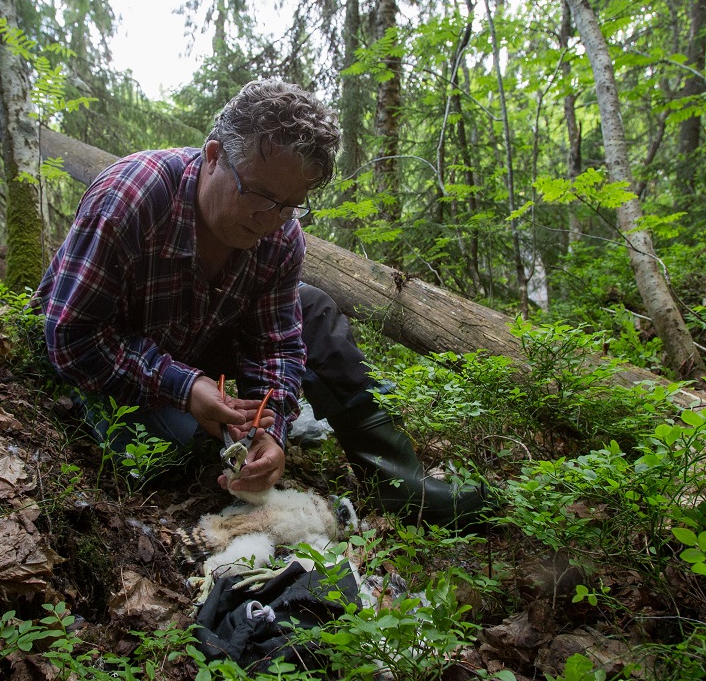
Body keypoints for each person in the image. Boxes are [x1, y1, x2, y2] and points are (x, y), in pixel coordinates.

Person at [34, 79, 487, 528]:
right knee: (174, 456)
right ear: (214, 156)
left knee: (314, 309)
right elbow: (71, 338)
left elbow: (278, 345)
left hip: (198, 344)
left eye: (290, 206)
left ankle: (400, 483)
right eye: (260, 197)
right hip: (110, 366)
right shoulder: (132, 196)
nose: (271, 222)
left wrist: (272, 431)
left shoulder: (281, 236)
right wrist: (185, 387)